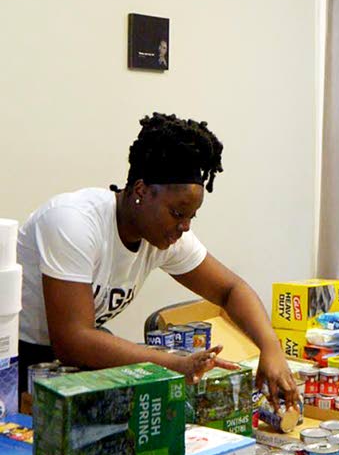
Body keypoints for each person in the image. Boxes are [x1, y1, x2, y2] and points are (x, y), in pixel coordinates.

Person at [17, 111, 299, 410]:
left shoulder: (166, 235)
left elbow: (231, 290)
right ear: (141, 191)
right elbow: (73, 340)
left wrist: (271, 348)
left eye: (191, 217)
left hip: (68, 363)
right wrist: (173, 363)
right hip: (18, 359)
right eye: (178, 213)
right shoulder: (72, 222)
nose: (185, 227)